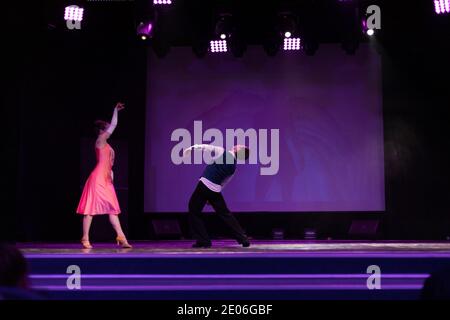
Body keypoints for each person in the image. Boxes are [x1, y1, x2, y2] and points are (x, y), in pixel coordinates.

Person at [76, 103, 131, 249]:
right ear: (101, 131)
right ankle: (85, 238)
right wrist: (115, 110)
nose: (109, 129)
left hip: (106, 180)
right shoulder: (100, 140)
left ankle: (121, 237)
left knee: (113, 210)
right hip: (97, 179)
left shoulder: (106, 143)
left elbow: (109, 163)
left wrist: (112, 173)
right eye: (106, 128)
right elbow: (114, 125)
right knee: (90, 209)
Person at [183, 144, 251, 248]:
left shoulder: (222, 152)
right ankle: (243, 238)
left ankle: (204, 241)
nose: (237, 144)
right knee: (225, 214)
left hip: (204, 185)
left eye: (240, 145)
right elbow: (224, 182)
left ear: (237, 149)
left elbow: (206, 147)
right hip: (215, 190)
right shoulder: (233, 167)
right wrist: (215, 191)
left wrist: (193, 147)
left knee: (194, 211)